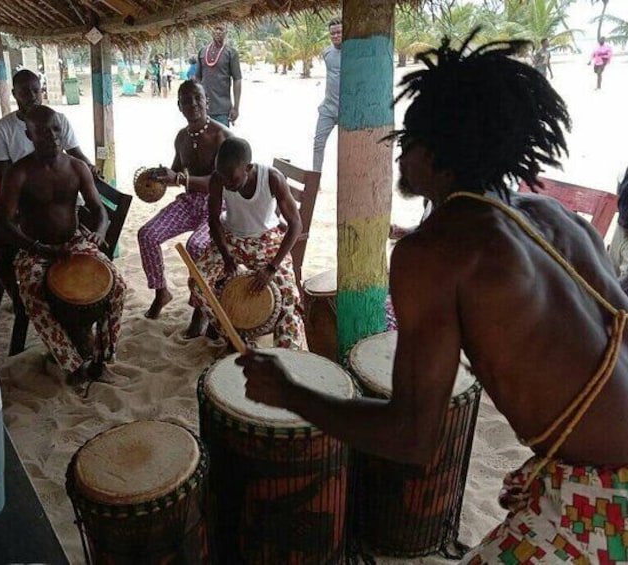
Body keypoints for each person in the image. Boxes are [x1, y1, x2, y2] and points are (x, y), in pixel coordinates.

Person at [238, 32, 628, 563]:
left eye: (412, 137)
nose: (400, 149)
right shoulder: (556, 220)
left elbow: (411, 436)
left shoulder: (436, 251)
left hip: (609, 494)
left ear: (444, 152)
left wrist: (290, 393)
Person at [0, 105, 126, 382]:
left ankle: (102, 360)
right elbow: (3, 224)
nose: (52, 136)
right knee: (32, 294)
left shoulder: (77, 167)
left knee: (117, 287)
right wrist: (40, 249)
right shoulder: (19, 173)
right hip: (35, 249)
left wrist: (99, 232)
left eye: (56, 129)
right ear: (29, 136)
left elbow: (98, 211)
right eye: (42, 132)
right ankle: (73, 365)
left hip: (75, 242)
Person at [190, 137, 305, 347]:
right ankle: (234, 338)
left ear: (248, 168)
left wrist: (272, 267)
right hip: (231, 239)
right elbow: (214, 221)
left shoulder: (272, 179)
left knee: (290, 300)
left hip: (266, 240)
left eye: (232, 180)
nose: (227, 185)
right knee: (198, 284)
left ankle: (287, 355)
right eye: (223, 179)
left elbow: (296, 225)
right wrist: (226, 257)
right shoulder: (219, 179)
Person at [137, 81, 231, 331]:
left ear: (206, 100)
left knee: (196, 245)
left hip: (218, 206)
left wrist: (180, 179)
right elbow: (177, 171)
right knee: (146, 234)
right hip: (190, 203)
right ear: (179, 106)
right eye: (186, 100)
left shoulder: (224, 136)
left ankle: (200, 307)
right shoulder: (182, 137)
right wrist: (160, 178)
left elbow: (224, 180)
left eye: (197, 98)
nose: (192, 104)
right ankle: (161, 292)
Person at [0, 69, 98, 184]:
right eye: (25, 92)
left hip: (60, 187)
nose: (32, 96)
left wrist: (90, 167)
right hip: (25, 193)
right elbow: (3, 173)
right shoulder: (1, 129)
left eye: (36, 91)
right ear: (14, 94)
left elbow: (76, 153)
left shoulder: (59, 120)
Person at [195, 25, 242, 127]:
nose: (218, 32)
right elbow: (197, 77)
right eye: (215, 29)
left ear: (226, 32)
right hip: (203, 108)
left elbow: (237, 79)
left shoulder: (231, 53)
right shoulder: (202, 52)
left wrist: (236, 108)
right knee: (204, 140)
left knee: (222, 141)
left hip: (223, 110)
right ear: (211, 31)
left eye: (221, 29)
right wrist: (198, 100)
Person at [313, 17, 343, 173]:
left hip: (346, 110)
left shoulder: (351, 53)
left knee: (345, 148)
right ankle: (315, 180)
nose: (336, 36)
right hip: (328, 108)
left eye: (339, 32)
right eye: (332, 33)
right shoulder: (327, 53)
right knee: (318, 143)